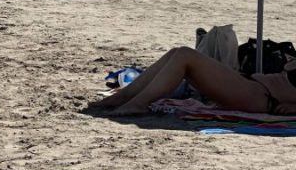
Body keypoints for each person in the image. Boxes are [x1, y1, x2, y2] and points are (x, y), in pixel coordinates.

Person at [89, 46, 296, 116]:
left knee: (186, 56)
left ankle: (137, 104)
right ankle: (124, 97)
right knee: (176, 53)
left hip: (262, 98)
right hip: (254, 87)